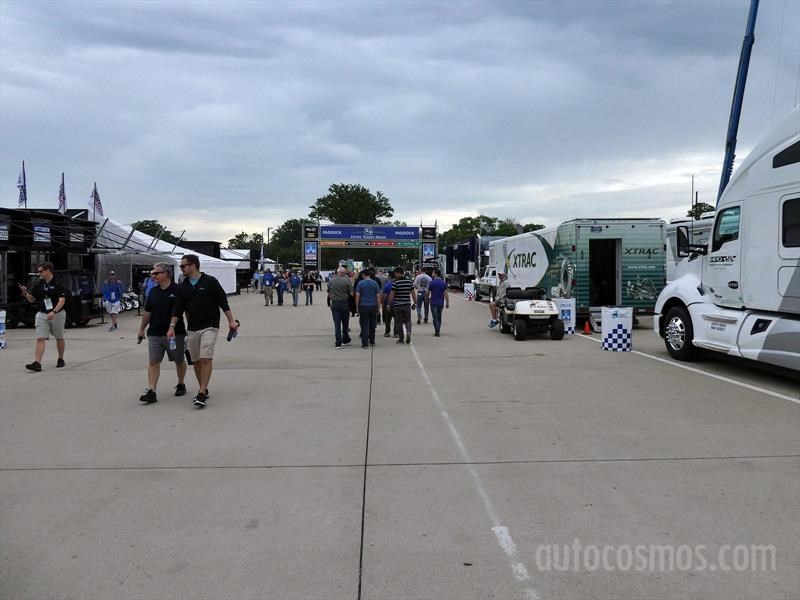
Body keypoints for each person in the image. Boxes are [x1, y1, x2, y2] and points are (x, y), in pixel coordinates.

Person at [168, 254, 238, 409]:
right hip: (192, 328)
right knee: (196, 361)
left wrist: (231, 321)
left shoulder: (210, 282)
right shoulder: (183, 287)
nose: (181, 268)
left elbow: (223, 302)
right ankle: (203, 388)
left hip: (210, 325)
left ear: (193, 265)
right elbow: (177, 309)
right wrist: (171, 327)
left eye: (183, 266)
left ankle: (200, 393)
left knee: (205, 358)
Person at [137, 263, 187, 403]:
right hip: (154, 332)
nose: (153, 275)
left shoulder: (178, 290)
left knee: (179, 360)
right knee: (153, 362)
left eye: (156, 273)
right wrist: (142, 329)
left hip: (175, 334)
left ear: (165, 274)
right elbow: (147, 312)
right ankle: (152, 390)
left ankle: (181, 383)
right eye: (152, 273)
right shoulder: (153, 291)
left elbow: (186, 310)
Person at [18, 262, 67, 371]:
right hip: (42, 314)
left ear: (48, 271)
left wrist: (54, 312)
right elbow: (32, 299)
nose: (39, 273)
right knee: (40, 338)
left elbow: (62, 300)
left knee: (59, 337)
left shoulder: (58, 283)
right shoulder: (39, 284)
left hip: (57, 314)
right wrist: (25, 293)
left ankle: (61, 358)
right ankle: (37, 363)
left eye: (41, 271)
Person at [327, 266, 353, 349]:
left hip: (335, 304)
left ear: (338, 272)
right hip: (344, 304)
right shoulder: (347, 281)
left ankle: (338, 342)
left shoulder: (331, 281)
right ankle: (345, 339)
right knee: (345, 323)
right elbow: (352, 293)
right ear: (343, 273)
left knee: (337, 324)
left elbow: (329, 293)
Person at [355, 269, 382, 348]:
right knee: (372, 325)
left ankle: (365, 343)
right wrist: (378, 306)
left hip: (363, 306)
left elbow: (357, 295)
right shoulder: (375, 283)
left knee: (364, 325)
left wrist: (357, 306)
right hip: (373, 306)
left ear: (363, 275)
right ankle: (372, 341)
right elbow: (378, 296)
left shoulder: (360, 283)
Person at [388, 266, 415, 344]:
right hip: (407, 304)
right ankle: (408, 332)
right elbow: (413, 293)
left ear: (399, 273)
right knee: (408, 320)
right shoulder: (409, 282)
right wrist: (415, 303)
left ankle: (401, 338)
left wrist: (389, 304)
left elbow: (392, 295)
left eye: (395, 273)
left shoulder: (395, 283)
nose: (395, 275)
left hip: (398, 305)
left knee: (399, 322)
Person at [426, 269, 450, 337]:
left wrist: (427, 298)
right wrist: (447, 302)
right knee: (439, 317)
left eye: (433, 273)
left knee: (435, 317)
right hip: (441, 302)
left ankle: (437, 330)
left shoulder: (432, 283)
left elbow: (428, 292)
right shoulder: (443, 283)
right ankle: (438, 329)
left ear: (435, 274)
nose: (432, 274)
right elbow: (445, 293)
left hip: (433, 302)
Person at [381, 272, 394, 337]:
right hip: (397, 303)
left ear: (389, 277)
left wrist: (383, 304)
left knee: (387, 319)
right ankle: (396, 333)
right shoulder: (398, 283)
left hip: (388, 304)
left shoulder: (387, 285)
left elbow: (385, 296)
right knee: (397, 319)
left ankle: (387, 332)